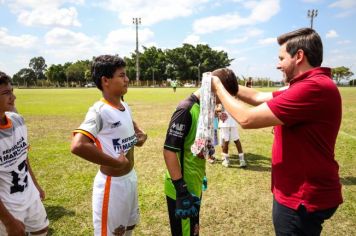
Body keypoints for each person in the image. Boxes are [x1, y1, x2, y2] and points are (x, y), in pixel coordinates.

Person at [212, 28, 343, 235]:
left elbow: (246, 119)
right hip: (298, 192)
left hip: (301, 197)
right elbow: (257, 96)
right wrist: (227, 83)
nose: (277, 64)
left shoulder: (312, 88)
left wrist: (217, 87)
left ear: (299, 56)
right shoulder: (304, 85)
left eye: (281, 58)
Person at [71, 55, 147, 236]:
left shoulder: (124, 106)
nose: (127, 79)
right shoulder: (99, 111)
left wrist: (140, 136)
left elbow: (133, 127)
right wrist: (114, 162)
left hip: (130, 179)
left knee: (128, 229)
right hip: (112, 186)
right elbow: (78, 145)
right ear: (106, 80)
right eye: (122, 75)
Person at [163, 68, 239, 236]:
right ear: (215, 87)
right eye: (223, 95)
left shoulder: (204, 110)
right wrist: (181, 190)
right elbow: (169, 151)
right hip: (182, 190)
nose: (222, 102)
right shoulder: (186, 109)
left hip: (194, 185)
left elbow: (195, 147)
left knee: (193, 231)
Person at [0, 71, 49, 236]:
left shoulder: (18, 120)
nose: (13, 97)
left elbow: (24, 157)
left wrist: (36, 185)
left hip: (29, 195)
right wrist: (8, 221)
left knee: (42, 230)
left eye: (12, 91)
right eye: (6, 93)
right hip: (8, 205)